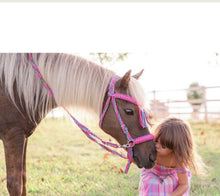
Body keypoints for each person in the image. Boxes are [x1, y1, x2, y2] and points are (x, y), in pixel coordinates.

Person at [139, 117, 206, 196]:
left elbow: (184, 185)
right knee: (152, 185)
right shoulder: (152, 151)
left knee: (172, 185)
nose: (157, 146)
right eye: (156, 141)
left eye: (163, 146)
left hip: (172, 178)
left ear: (174, 148)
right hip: (152, 175)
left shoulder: (177, 160)